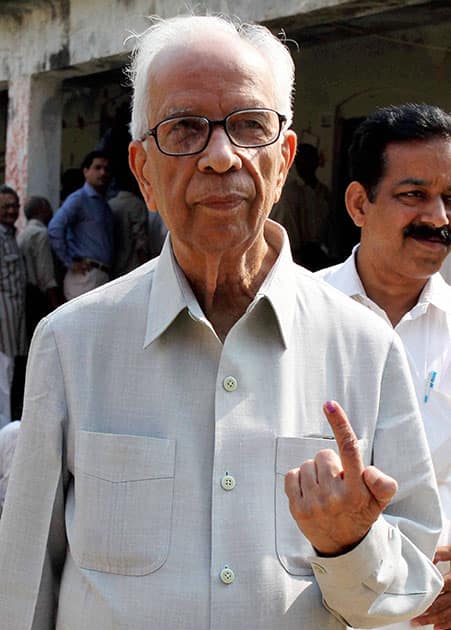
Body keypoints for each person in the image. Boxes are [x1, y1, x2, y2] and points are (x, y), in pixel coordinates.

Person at [0, 15, 443, 630]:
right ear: (143, 170)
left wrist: (349, 546)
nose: (220, 156)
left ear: (284, 160)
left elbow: (415, 588)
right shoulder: (72, 343)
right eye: (184, 128)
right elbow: (22, 585)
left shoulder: (365, 346)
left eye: (249, 126)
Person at [316, 102, 451, 630]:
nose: (438, 218)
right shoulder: (291, 317)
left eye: (449, 199)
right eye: (414, 195)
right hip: (310, 607)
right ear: (359, 204)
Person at [48, 150, 114, 300]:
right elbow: (55, 227)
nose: (103, 173)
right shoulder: (79, 199)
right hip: (85, 275)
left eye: (106, 169)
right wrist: (69, 261)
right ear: (86, 171)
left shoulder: (103, 204)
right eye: (97, 168)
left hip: (101, 274)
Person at [270, 143, 331, 269]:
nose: (305, 165)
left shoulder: (324, 192)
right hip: (293, 256)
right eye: (301, 160)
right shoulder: (288, 191)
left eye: (310, 160)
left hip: (319, 254)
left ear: (317, 162)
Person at [17, 196, 62, 340]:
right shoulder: (40, 234)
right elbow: (46, 274)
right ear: (42, 210)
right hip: (38, 296)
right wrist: (56, 306)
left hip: (26, 294)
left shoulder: (23, 234)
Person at [0, 184, 26, 422]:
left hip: (14, 319)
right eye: (6, 206)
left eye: (15, 206)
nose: (12, 210)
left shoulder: (11, 236)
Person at [109, 168, 166, 277]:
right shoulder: (136, 204)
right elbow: (140, 242)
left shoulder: (111, 204)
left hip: (115, 266)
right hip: (133, 266)